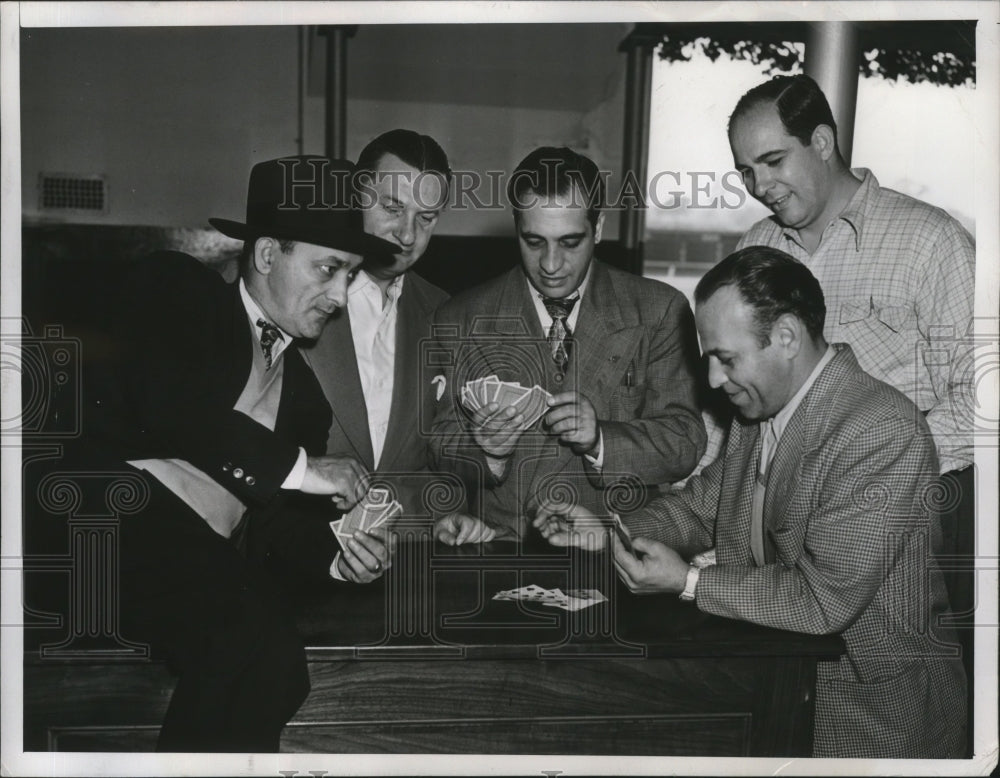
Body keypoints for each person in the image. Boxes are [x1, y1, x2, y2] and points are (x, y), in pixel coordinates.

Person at [534, 246, 966, 758]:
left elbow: (822, 598)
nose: (713, 381)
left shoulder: (882, 430)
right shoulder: (757, 414)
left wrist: (687, 581)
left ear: (785, 336)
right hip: (779, 688)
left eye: (726, 359)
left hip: (872, 720)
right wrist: (608, 528)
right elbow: (698, 509)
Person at [112, 156, 396, 751]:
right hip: (111, 533)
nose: (340, 295)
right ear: (267, 255)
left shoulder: (306, 398)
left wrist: (335, 559)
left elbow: (279, 524)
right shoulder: (180, 292)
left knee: (278, 669)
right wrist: (302, 469)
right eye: (329, 269)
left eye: (350, 276)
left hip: (200, 573)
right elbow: (173, 407)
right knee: (250, 641)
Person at [727, 75, 976, 632]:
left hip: (905, 516)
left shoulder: (929, 240)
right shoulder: (755, 248)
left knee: (885, 704)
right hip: (777, 516)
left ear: (821, 141)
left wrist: (871, 471)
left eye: (772, 161)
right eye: (746, 171)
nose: (759, 185)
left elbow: (982, 397)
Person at [428, 146, 706, 540]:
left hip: (612, 548)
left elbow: (684, 441)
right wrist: (487, 453)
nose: (551, 264)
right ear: (516, 227)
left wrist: (601, 439)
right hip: (500, 549)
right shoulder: (461, 317)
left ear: (600, 228)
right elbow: (438, 445)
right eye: (534, 241)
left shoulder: (660, 311)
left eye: (570, 242)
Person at [297, 131, 485, 542]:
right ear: (356, 197)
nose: (407, 234)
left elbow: (443, 474)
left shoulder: (443, 313)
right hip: (293, 556)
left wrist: (438, 518)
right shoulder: (300, 295)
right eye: (392, 207)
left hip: (400, 559)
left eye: (426, 217)